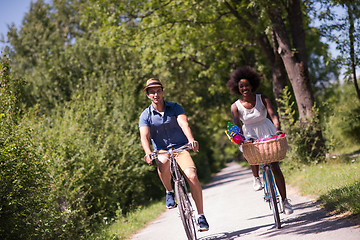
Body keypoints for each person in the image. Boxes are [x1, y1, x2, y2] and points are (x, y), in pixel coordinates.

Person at [139, 78, 210, 231]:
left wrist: (191, 139)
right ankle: (169, 191)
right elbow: (144, 136)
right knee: (163, 161)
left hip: (181, 147)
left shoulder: (175, 107)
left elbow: (184, 123)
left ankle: (201, 216)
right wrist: (147, 152)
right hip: (162, 150)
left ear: (163, 91)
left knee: (191, 176)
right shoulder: (145, 115)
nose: (156, 94)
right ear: (148, 95)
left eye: (158, 91)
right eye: (152, 92)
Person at [227, 66, 293, 215]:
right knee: (252, 154)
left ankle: (285, 201)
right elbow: (237, 124)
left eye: (247, 85)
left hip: (267, 130)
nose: (245, 88)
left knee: (275, 166)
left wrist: (277, 129)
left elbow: (273, 115)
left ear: (252, 85)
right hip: (249, 133)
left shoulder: (262, 98)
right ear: (238, 89)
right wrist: (241, 139)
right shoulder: (235, 106)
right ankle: (256, 177)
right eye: (241, 86)